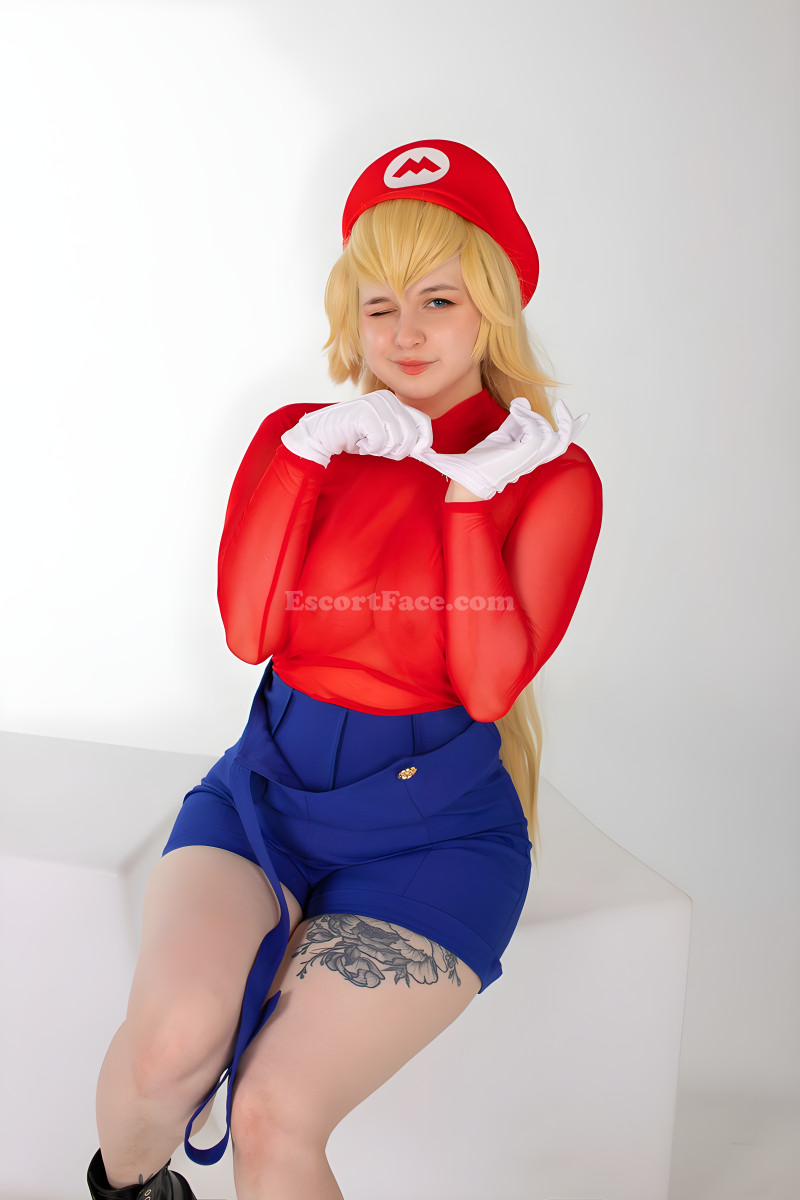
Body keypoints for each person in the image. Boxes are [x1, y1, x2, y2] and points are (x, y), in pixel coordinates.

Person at [86, 138, 603, 1200]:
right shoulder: (305, 438)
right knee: (166, 1047)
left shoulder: (549, 476)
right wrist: (304, 459)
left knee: (274, 1112)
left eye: (437, 301)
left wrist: (468, 498)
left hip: (435, 837)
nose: (405, 333)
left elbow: (488, 687)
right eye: (378, 306)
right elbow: (248, 630)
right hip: (262, 795)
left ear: (493, 308)